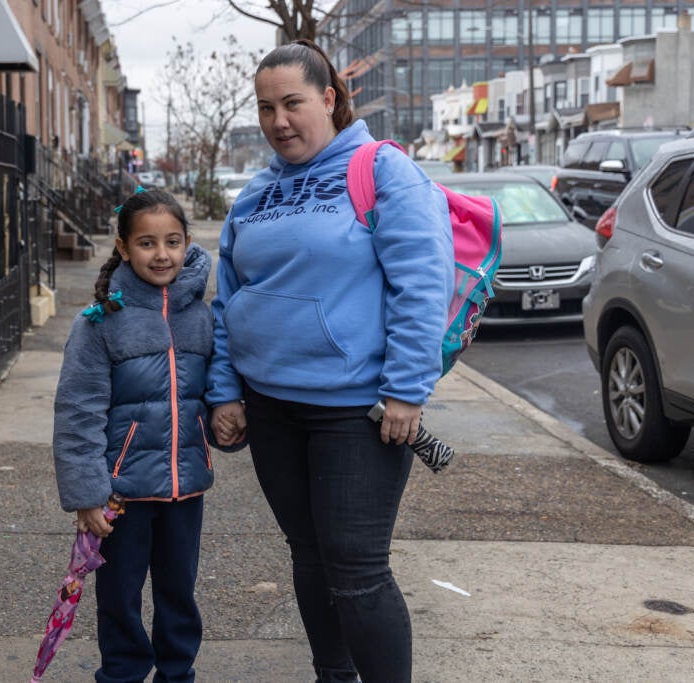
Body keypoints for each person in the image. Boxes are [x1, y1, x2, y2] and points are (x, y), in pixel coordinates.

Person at [207, 40, 454, 682]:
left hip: (355, 412)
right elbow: (228, 300)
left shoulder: (383, 170)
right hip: (269, 409)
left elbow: (423, 284)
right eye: (266, 108)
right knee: (309, 557)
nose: (279, 120)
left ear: (330, 98)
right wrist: (225, 391)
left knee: (357, 572)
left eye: (292, 103)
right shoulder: (255, 195)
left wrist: (406, 390)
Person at [52, 187, 215, 683]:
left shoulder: (203, 317)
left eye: (172, 241)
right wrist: (87, 494)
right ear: (123, 247)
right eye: (146, 243)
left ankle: (177, 672)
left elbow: (218, 394)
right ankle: (121, 673)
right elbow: (77, 411)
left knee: (178, 592)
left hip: (184, 488)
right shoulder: (101, 322)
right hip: (119, 495)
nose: (161, 254)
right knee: (119, 596)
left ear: (187, 242)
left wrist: (229, 424)